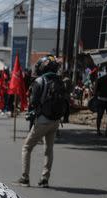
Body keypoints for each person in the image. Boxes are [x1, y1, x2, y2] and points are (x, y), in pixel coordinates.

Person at [15, 56, 67, 188]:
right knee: (48, 149)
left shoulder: (40, 81)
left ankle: (24, 178)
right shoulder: (60, 81)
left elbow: (33, 103)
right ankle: (45, 179)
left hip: (43, 120)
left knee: (26, 147)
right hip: (55, 121)